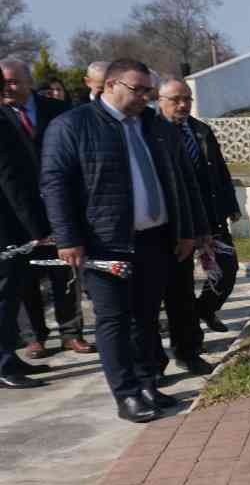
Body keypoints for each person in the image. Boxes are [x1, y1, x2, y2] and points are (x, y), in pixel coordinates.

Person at [39, 59, 199, 422]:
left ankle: (147, 384)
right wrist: (67, 238)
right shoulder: (73, 125)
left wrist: (186, 230)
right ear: (110, 85)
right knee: (113, 319)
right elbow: (55, 184)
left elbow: (180, 182)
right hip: (104, 243)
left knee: (144, 318)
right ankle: (126, 394)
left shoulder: (154, 127)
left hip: (155, 239)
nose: (145, 97)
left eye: (148, 91)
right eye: (137, 90)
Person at [1, 59, 90, 358]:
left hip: (60, 205)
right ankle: (34, 336)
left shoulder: (57, 111)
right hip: (17, 212)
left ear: (28, 80)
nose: (8, 88)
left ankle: (71, 332)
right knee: (25, 278)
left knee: (64, 270)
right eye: (4, 82)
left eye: (14, 81)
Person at [152, 80, 230, 375]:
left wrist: (200, 225)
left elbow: (197, 182)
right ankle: (153, 364)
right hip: (155, 228)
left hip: (188, 224)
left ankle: (189, 350)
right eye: (175, 99)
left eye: (187, 99)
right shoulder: (150, 131)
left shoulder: (197, 130)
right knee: (150, 301)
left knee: (183, 295)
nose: (182, 105)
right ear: (159, 100)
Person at [0, 108, 52, 389]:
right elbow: (10, 179)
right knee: (4, 295)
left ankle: (9, 355)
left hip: (13, 224)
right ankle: (3, 363)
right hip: (6, 225)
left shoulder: (4, 116)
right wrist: (37, 229)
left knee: (12, 292)